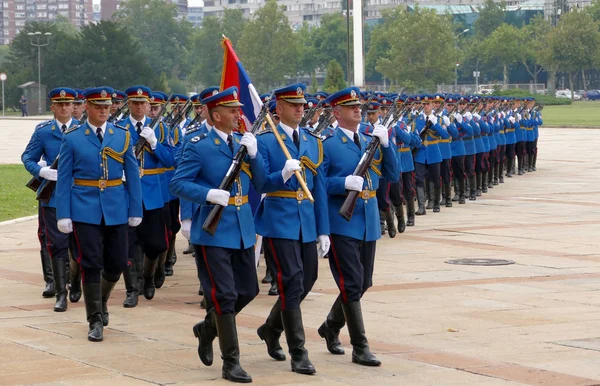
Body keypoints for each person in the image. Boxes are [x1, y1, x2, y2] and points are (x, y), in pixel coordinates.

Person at [170, 87, 266, 383]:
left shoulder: (241, 142)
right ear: (215, 114)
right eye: (233, 111)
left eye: (239, 109)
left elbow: (260, 182)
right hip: (213, 231)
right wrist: (208, 194)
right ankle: (231, 362)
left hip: (241, 227)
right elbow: (178, 183)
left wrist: (255, 154)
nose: (239, 115)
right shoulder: (197, 143)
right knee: (224, 295)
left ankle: (208, 328)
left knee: (248, 290)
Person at [318, 86, 398, 367]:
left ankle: (330, 325)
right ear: (337, 113)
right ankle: (360, 346)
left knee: (363, 283)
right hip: (343, 221)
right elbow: (319, 182)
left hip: (368, 220)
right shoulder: (326, 143)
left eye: (358, 106)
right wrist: (343, 183)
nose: (358, 109)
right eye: (350, 106)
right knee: (351, 283)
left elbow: (392, 173)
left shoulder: (369, 138)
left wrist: (386, 146)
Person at [55, 86, 143, 341]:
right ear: (87, 108)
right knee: (90, 263)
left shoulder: (122, 135)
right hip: (85, 208)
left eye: (107, 106)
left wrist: (135, 208)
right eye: (98, 106)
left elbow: (133, 176)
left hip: (116, 206)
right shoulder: (72, 137)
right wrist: (63, 214)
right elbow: (64, 179)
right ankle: (94, 319)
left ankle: (101, 300)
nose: (104, 110)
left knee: (117, 263)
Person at [254, 83, 330, 375]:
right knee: (291, 281)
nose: (300, 108)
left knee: (307, 279)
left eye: (302, 104)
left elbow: (319, 188)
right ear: (279, 108)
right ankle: (298, 351)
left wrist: (323, 230)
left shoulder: (313, 140)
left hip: (307, 221)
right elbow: (261, 183)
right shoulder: (265, 141)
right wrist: (282, 174)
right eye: (293, 104)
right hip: (279, 219)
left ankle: (271, 329)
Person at [22, 87, 80, 312]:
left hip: (79, 195)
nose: (65, 107)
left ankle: (76, 282)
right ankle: (60, 292)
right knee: (56, 245)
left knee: (78, 244)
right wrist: (40, 171)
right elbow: (28, 157)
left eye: (68, 104)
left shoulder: (83, 130)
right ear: (53, 107)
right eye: (60, 104)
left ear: (74, 106)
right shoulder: (43, 131)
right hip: (54, 196)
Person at [117, 85, 174, 307]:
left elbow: (170, 160)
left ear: (149, 105)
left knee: (157, 244)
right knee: (129, 244)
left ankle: (148, 278)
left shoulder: (160, 129)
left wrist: (154, 144)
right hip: (128, 192)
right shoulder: (118, 129)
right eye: (135, 102)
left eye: (143, 103)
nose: (139, 106)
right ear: (128, 104)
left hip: (152, 193)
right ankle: (132, 288)